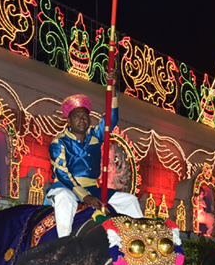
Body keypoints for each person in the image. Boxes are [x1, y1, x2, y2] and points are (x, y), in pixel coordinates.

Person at [46, 84, 143, 237]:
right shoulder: (59, 142)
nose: (82, 120)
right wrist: (85, 196)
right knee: (64, 198)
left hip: (93, 188)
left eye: (85, 116)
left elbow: (111, 119)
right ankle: (64, 244)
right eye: (76, 116)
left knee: (130, 200)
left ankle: (139, 240)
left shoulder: (95, 136)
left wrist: (113, 89)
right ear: (68, 122)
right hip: (66, 187)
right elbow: (62, 174)